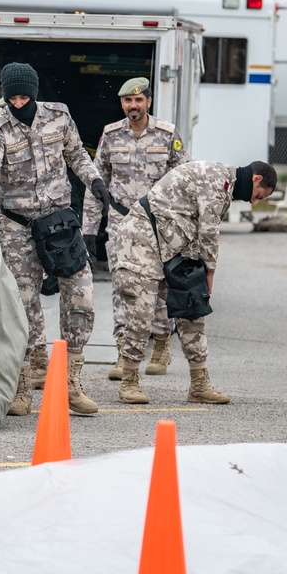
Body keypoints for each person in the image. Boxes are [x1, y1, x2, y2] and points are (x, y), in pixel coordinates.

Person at [0, 62, 111, 416]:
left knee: (80, 295)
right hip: (17, 226)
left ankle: (72, 384)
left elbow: (77, 153)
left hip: (59, 223)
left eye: (24, 96)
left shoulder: (58, 115)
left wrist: (94, 180)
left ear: (34, 93)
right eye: (12, 97)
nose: (18, 103)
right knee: (23, 304)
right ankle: (23, 385)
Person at [114, 160, 276, 405]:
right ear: (256, 180)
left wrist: (196, 282)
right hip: (142, 238)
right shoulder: (217, 179)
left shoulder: (227, 186)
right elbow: (209, 231)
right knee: (141, 312)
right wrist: (209, 272)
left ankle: (199, 385)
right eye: (258, 196)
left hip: (174, 246)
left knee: (192, 307)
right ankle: (129, 383)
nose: (253, 202)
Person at [82, 77, 190, 380]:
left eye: (139, 100)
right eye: (128, 101)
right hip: (120, 222)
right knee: (122, 285)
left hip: (158, 224)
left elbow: (184, 179)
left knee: (157, 286)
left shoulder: (167, 135)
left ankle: (161, 343)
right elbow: (95, 181)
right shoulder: (111, 134)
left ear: (148, 102)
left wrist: (183, 226)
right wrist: (89, 229)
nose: (133, 106)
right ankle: (123, 350)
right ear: (122, 104)